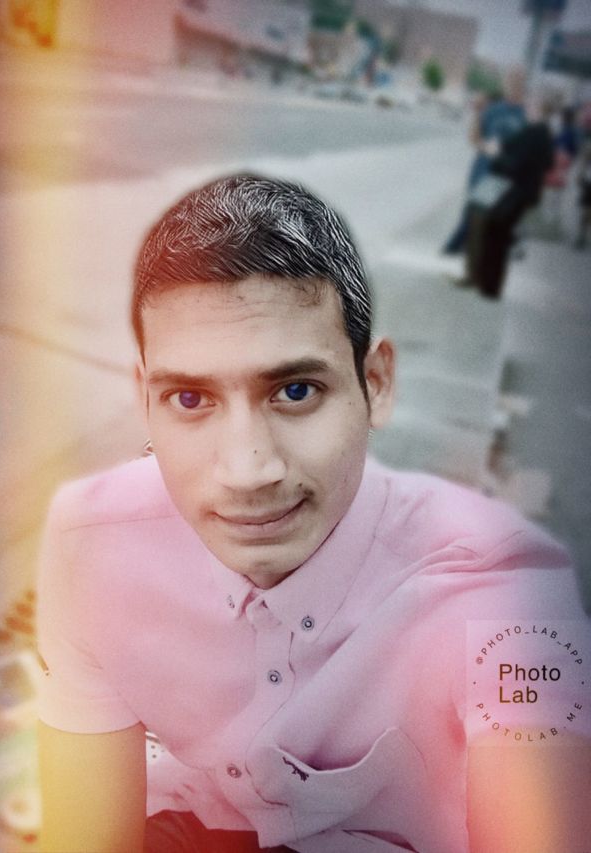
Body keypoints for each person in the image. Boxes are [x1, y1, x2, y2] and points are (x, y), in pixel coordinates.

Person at [36, 175, 590, 853]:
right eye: (190, 399)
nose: (247, 471)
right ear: (146, 400)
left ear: (375, 383)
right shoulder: (91, 544)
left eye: (295, 391)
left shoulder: (506, 585)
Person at [464, 98, 554, 299]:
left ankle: (489, 286)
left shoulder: (533, 132)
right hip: (525, 193)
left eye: (531, 106)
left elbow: (514, 163)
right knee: (499, 235)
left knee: (496, 235)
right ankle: (489, 284)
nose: (527, 109)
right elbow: (547, 162)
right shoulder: (543, 134)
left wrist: (496, 155)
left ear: (538, 110)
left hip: (514, 192)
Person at [442, 68, 526, 256]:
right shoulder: (493, 110)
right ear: (505, 84)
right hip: (483, 169)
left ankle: (456, 250)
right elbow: (473, 137)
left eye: (518, 82)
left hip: (505, 174)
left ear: (523, 86)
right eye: (511, 81)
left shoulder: (525, 115)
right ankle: (457, 250)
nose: (514, 85)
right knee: (475, 213)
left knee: (481, 216)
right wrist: (485, 145)